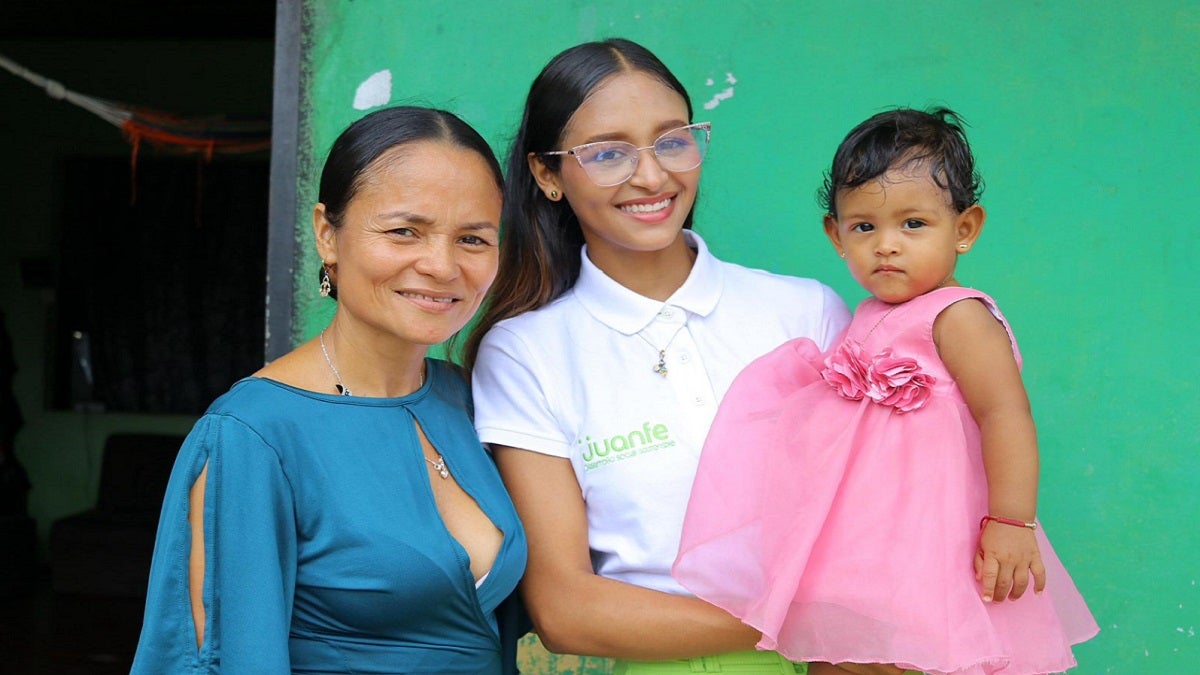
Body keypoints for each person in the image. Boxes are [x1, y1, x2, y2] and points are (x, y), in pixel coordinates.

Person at [466, 39, 856, 674]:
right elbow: (565, 609)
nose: (651, 176)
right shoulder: (526, 352)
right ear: (546, 175)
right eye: (608, 153)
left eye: (673, 140)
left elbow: (870, 524)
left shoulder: (805, 314)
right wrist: (796, 618)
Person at [673, 108, 1099, 674]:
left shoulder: (959, 316)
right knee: (837, 653)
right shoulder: (869, 313)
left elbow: (1005, 415)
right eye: (864, 227)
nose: (887, 245)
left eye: (913, 224)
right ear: (836, 235)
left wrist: (1011, 520)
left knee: (924, 657)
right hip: (862, 543)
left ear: (965, 230)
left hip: (928, 540)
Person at [131, 106, 527, 674]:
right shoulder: (253, 433)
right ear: (327, 233)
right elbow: (228, 660)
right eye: (404, 231)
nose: (442, 265)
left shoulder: (472, 399)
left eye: (472, 239)